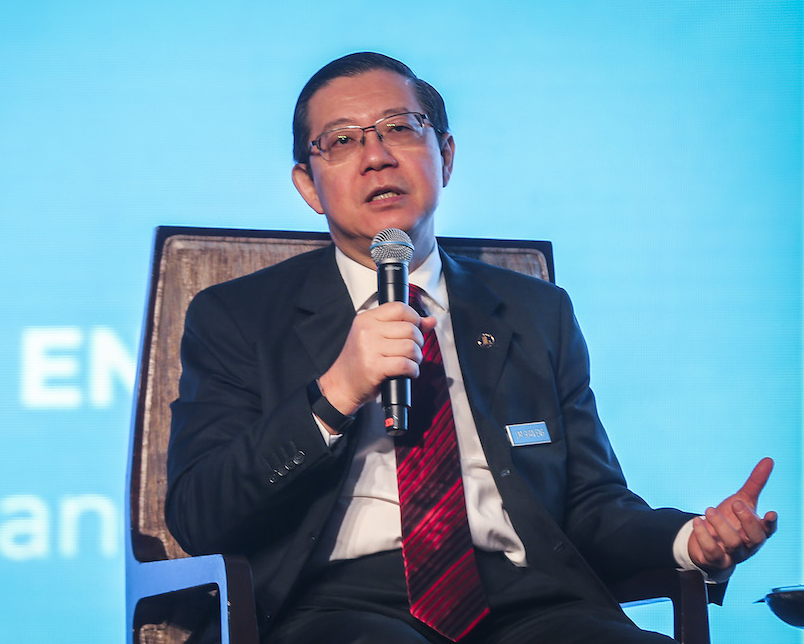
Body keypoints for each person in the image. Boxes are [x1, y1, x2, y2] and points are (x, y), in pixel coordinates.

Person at [165, 52, 777, 644]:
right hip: (333, 606)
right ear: (307, 185)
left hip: (530, 604)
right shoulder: (237, 318)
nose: (376, 156)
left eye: (399, 129)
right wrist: (333, 396)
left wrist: (689, 541)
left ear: (445, 155)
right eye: (344, 141)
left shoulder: (537, 313)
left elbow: (591, 506)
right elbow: (200, 515)